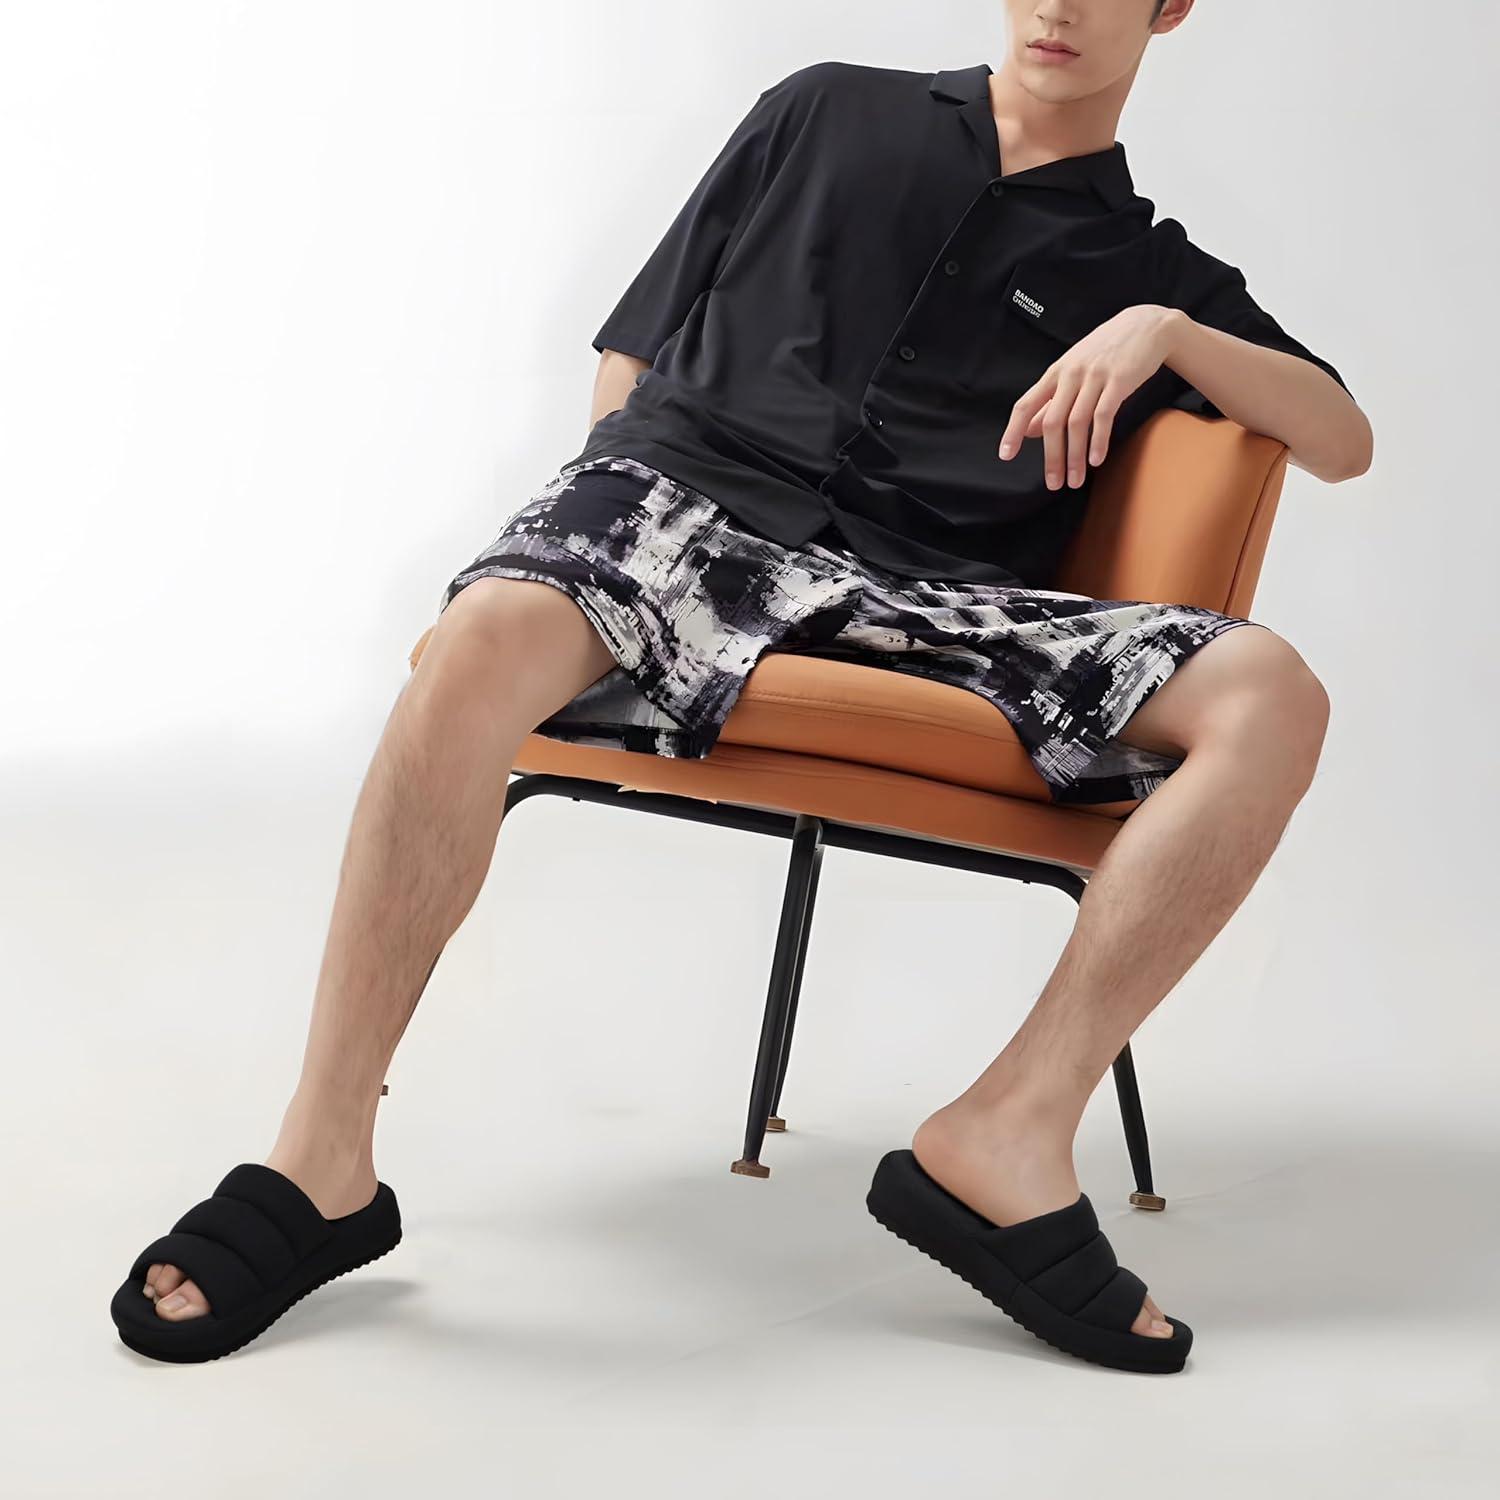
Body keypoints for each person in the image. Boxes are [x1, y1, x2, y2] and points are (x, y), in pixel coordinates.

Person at [110, 0, 1372, 1372]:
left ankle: (1008, 1132)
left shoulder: (1149, 265)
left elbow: (1343, 437)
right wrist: (604, 536)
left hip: (923, 595)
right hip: (684, 505)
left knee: (1274, 695)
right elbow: (636, 346)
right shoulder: (826, 106)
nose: (1060, 5)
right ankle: (321, 1163)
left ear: (1171, 7)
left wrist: (1163, 332)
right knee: (485, 634)